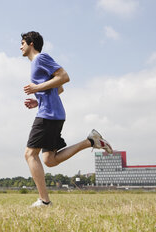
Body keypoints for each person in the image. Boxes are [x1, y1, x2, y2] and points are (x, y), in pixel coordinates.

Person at [21, 31, 113, 208]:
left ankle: (44, 201)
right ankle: (90, 142)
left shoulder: (40, 58)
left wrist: (36, 88)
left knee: (29, 154)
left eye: (23, 42)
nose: (20, 46)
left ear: (31, 43)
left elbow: (64, 77)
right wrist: (37, 99)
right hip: (52, 113)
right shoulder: (37, 64)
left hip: (48, 114)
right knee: (49, 160)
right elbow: (59, 88)